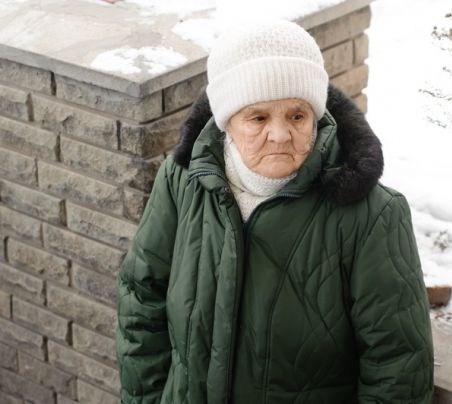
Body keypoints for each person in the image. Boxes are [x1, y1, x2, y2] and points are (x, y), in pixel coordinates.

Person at [116, 18, 434, 404]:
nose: (281, 135)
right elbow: (141, 299)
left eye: (297, 116)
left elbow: (397, 365)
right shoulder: (182, 179)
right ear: (227, 121)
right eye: (258, 118)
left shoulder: (373, 214)